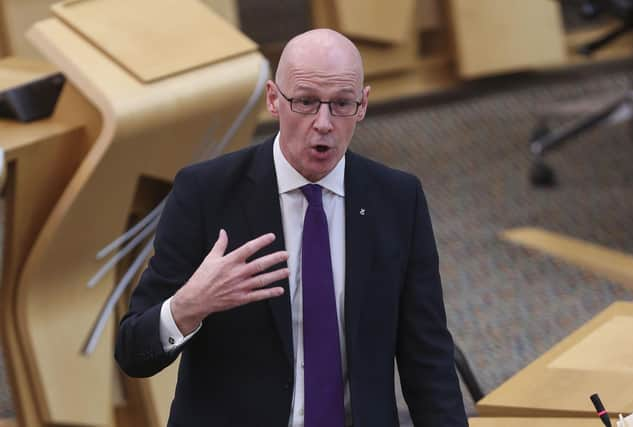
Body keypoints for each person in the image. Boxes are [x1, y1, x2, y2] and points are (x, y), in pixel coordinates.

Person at [115, 28, 468, 427]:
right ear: (272, 100)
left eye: (341, 104)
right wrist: (187, 307)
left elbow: (428, 358)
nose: (323, 123)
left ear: (363, 105)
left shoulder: (397, 200)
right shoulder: (206, 193)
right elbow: (132, 353)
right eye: (305, 102)